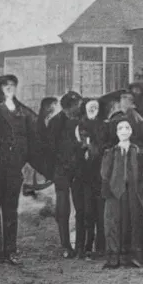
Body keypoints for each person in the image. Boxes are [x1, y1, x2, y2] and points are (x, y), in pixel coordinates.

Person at [0, 74, 46, 265]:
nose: (9, 88)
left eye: (12, 85)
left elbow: (34, 140)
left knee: (11, 210)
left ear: (16, 87)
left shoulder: (24, 112)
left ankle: (10, 250)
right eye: (5, 85)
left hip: (13, 169)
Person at [101, 117, 143, 269]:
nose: (123, 131)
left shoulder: (137, 151)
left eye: (127, 128)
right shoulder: (110, 152)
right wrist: (108, 189)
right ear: (116, 132)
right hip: (115, 192)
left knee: (131, 222)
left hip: (133, 192)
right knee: (113, 223)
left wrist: (141, 190)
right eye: (120, 128)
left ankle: (130, 257)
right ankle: (113, 257)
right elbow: (104, 173)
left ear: (131, 131)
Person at [48, 91, 84, 259]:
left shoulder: (81, 120)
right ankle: (65, 245)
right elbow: (50, 148)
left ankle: (81, 245)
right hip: (61, 170)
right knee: (63, 208)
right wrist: (57, 168)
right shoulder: (56, 123)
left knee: (81, 205)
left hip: (79, 169)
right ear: (67, 107)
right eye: (75, 106)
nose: (78, 109)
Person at [75, 98, 107, 259]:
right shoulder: (81, 125)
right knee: (87, 211)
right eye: (90, 107)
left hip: (100, 173)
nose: (93, 109)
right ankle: (86, 245)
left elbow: (104, 145)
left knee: (101, 210)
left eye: (96, 107)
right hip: (85, 174)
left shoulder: (103, 124)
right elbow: (83, 144)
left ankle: (101, 246)